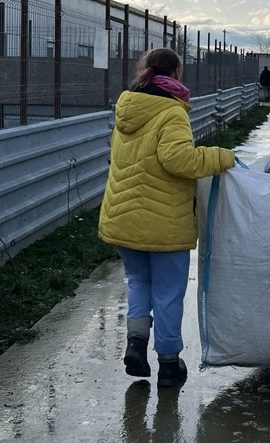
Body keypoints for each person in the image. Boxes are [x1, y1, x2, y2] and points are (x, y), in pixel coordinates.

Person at [98, 46, 236, 387]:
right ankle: (170, 364)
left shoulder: (127, 108)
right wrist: (222, 156)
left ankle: (135, 343)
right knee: (168, 293)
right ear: (175, 75)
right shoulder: (171, 111)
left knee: (139, 283)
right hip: (163, 223)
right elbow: (180, 160)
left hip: (122, 218)